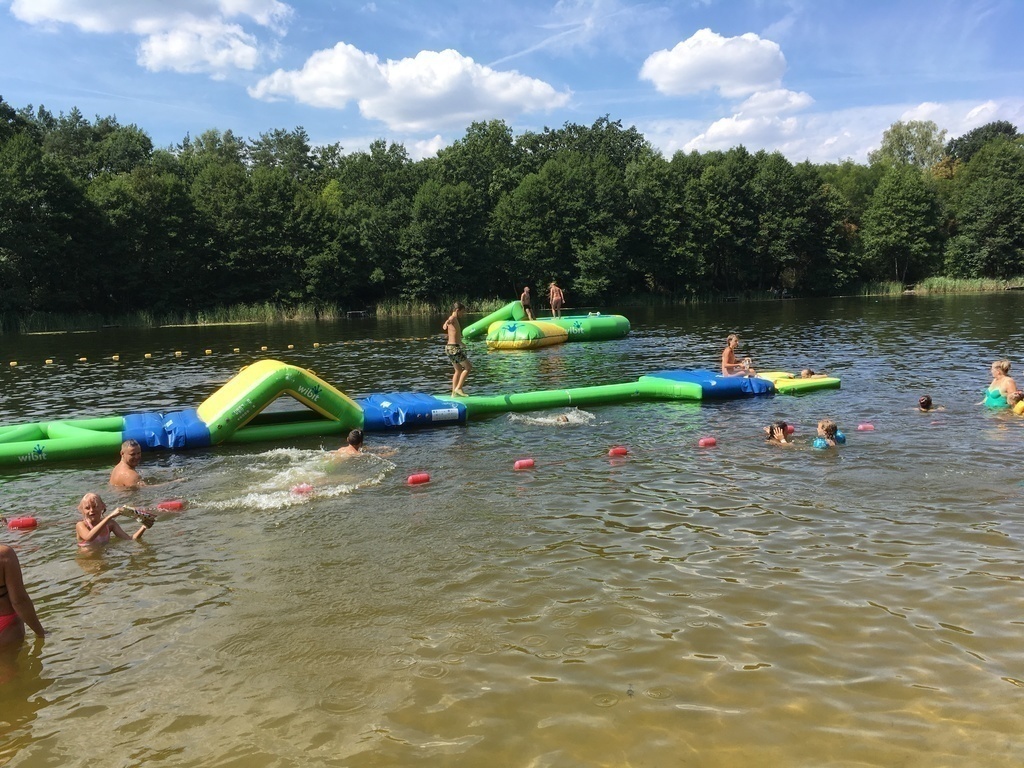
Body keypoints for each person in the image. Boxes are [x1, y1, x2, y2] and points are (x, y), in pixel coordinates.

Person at [0, 544, 46, 646]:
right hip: (5, 625)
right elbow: (19, 601)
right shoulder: (4, 554)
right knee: (11, 662)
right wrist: (40, 632)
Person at [76, 492, 152, 546]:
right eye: (87, 508)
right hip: (87, 560)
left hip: (103, 557)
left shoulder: (110, 524)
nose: (91, 510)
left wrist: (144, 527)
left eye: (95, 506)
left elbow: (130, 539)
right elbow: (89, 538)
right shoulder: (81, 525)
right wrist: (110, 516)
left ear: (103, 506)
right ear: (82, 510)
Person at [443, 302, 471, 397]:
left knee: (458, 370)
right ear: (457, 310)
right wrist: (447, 322)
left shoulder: (455, 320)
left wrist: (461, 343)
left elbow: (454, 335)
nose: (463, 314)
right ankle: (458, 388)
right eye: (462, 312)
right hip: (454, 348)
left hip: (449, 347)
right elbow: (449, 320)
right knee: (468, 367)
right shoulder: (453, 318)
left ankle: (453, 393)